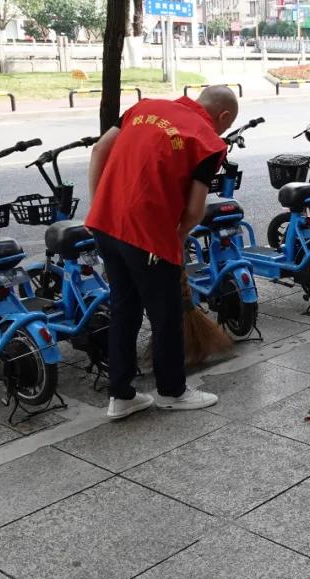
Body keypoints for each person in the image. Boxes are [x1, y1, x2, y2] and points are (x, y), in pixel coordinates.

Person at [86, 86, 238, 419]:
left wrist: (99, 206)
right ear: (222, 117)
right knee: (166, 315)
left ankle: (121, 396)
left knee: (124, 309)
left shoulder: (143, 107)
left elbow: (99, 150)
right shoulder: (208, 142)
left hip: (105, 224)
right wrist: (176, 238)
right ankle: (172, 392)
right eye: (224, 126)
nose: (221, 132)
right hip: (148, 235)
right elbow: (196, 210)